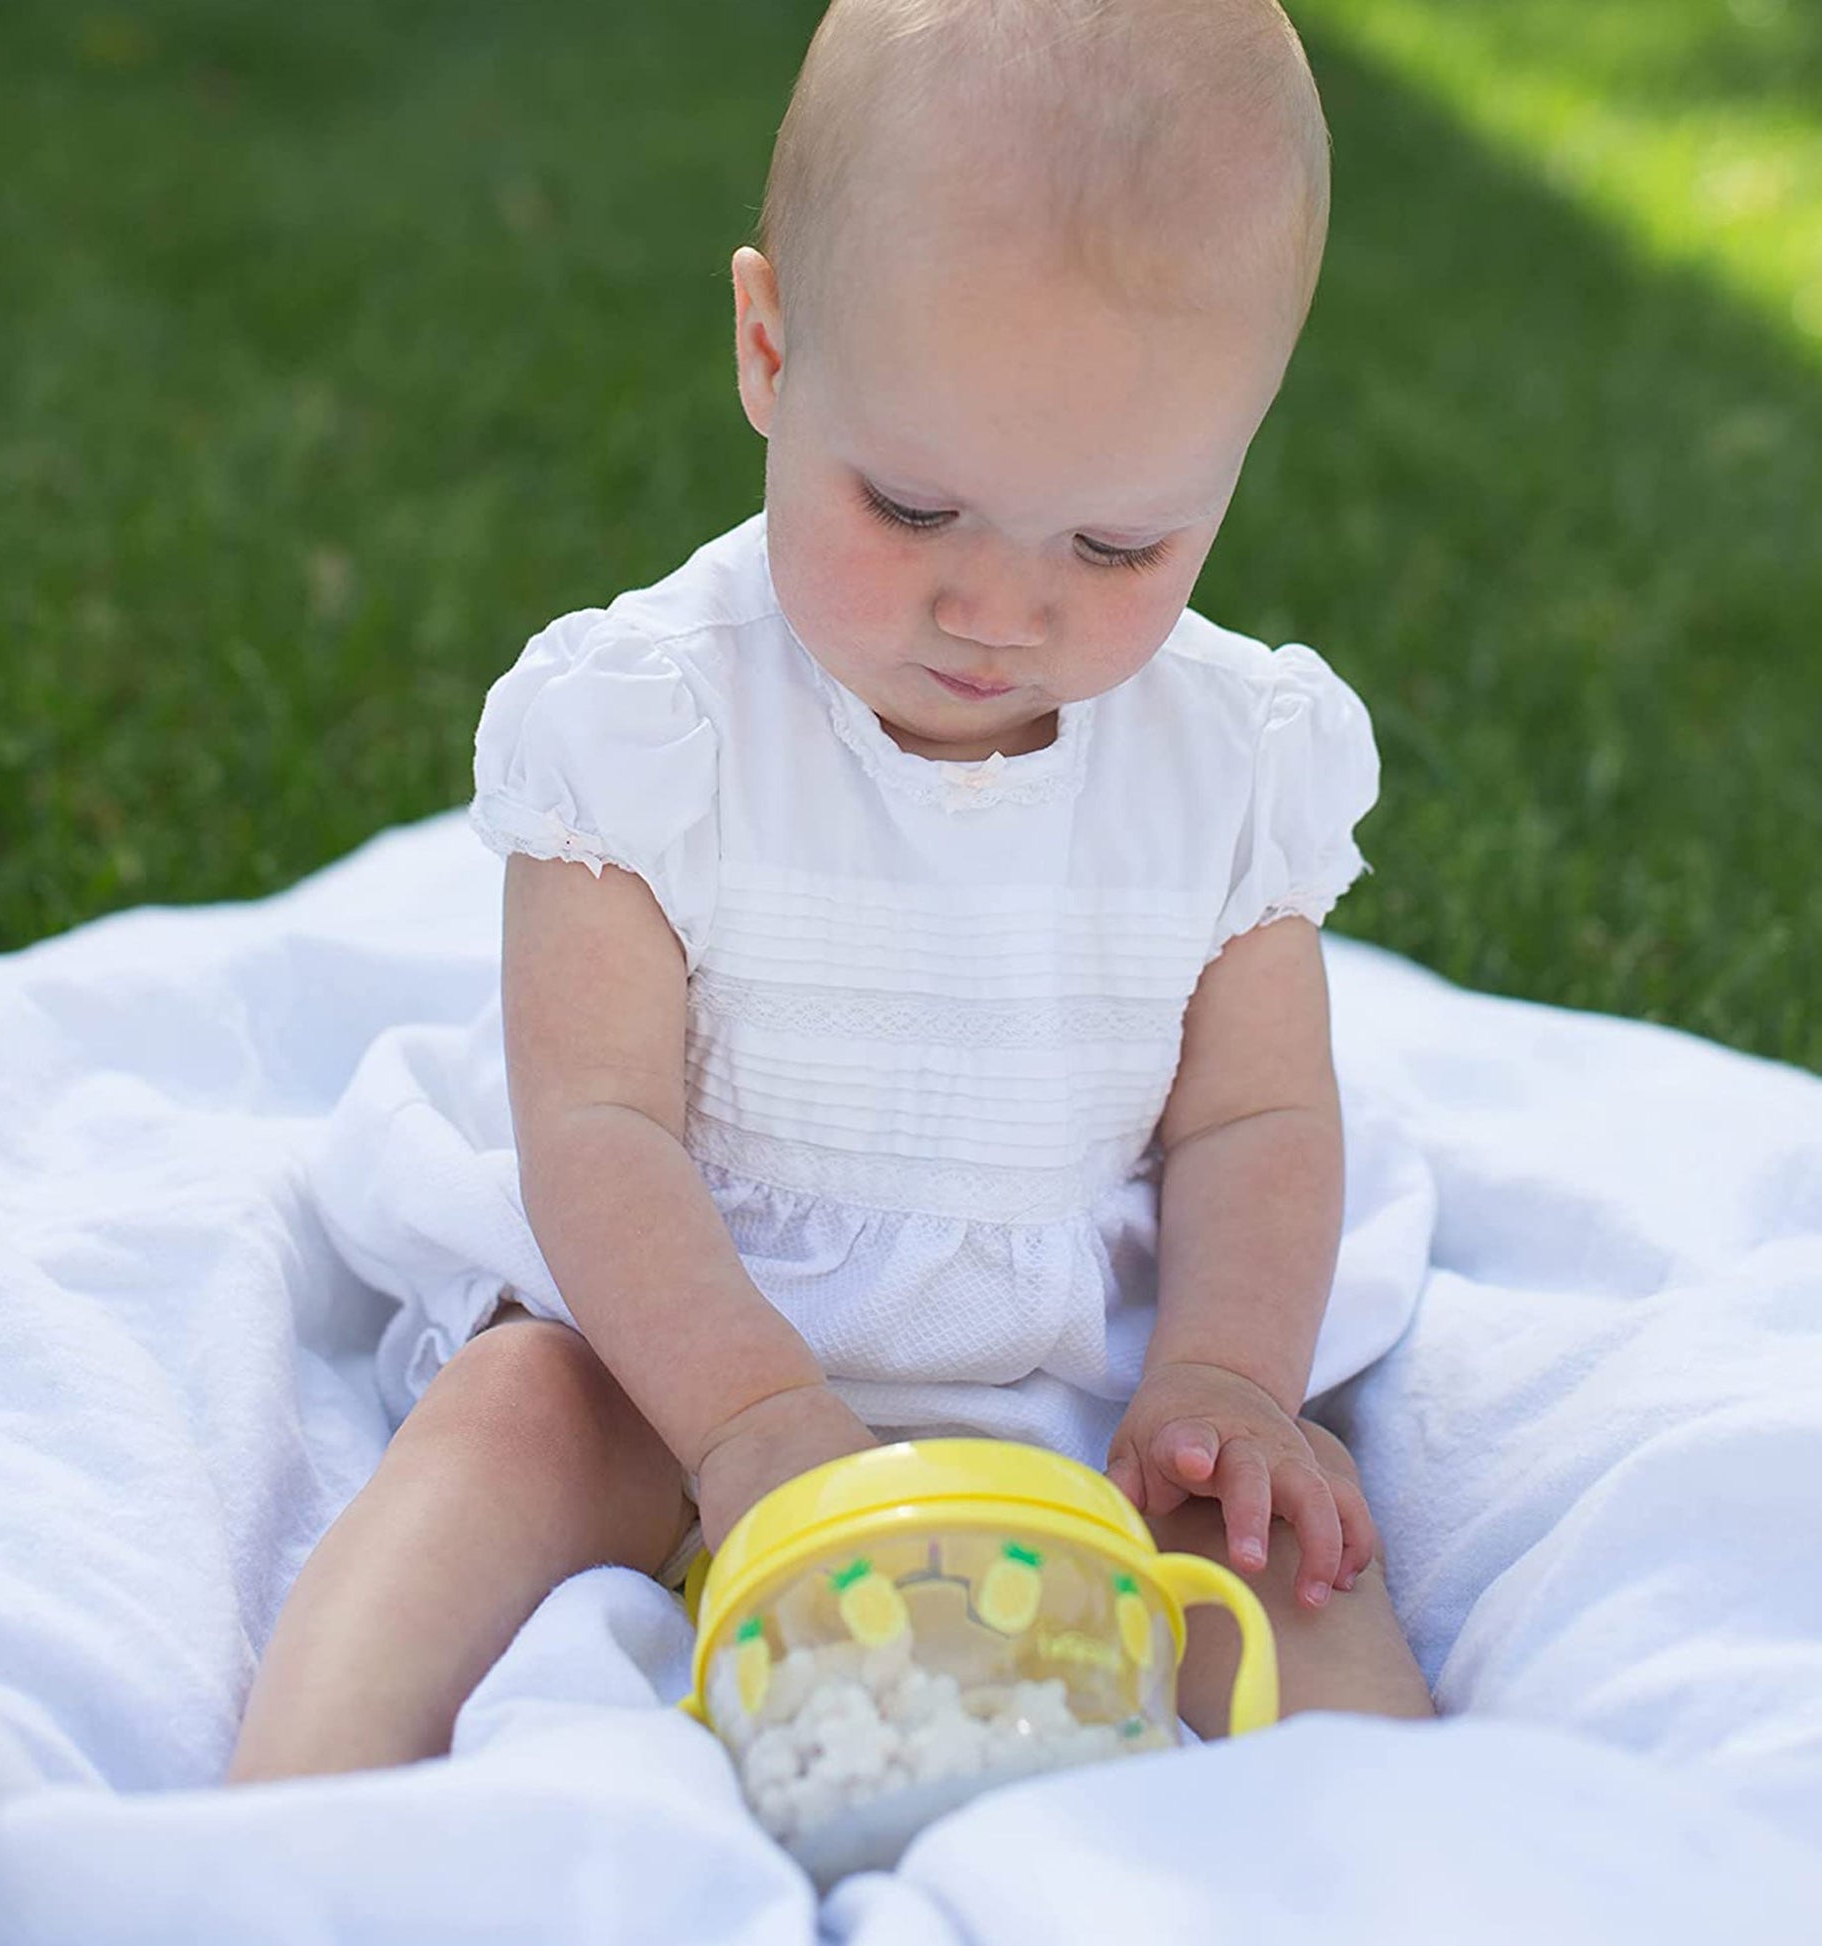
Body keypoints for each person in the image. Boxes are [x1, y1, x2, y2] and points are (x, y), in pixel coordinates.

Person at [228, 0, 1433, 1784]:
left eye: (1118, 544)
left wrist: (1229, 1381)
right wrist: (751, 1417)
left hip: (1070, 1383)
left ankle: (1413, 1855)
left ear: (1232, 458)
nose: (1000, 609)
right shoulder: (653, 725)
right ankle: (296, 1812)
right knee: (511, 1414)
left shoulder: (1229, 761)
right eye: (914, 503)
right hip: (672, 1337)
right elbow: (598, 1125)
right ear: (772, 350)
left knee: (1276, 1542)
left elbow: (1254, 1113)